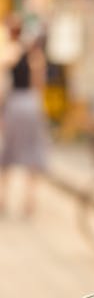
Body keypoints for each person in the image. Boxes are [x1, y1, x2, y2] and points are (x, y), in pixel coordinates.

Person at [0, 14, 49, 216]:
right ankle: (30, 202)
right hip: (32, 103)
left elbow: (3, 86)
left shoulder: (9, 53)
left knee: (8, 153)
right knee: (32, 152)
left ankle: (2, 199)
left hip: (15, 104)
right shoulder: (35, 56)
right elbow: (40, 84)